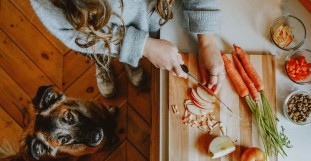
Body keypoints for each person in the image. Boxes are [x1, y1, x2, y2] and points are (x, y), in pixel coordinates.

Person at [30, 0, 224, 98]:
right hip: (100, 39)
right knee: (102, 53)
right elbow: (75, 34)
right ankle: (104, 63)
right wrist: (142, 45)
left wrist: (206, 41)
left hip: (153, 17)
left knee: (133, 55)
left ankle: (132, 61)